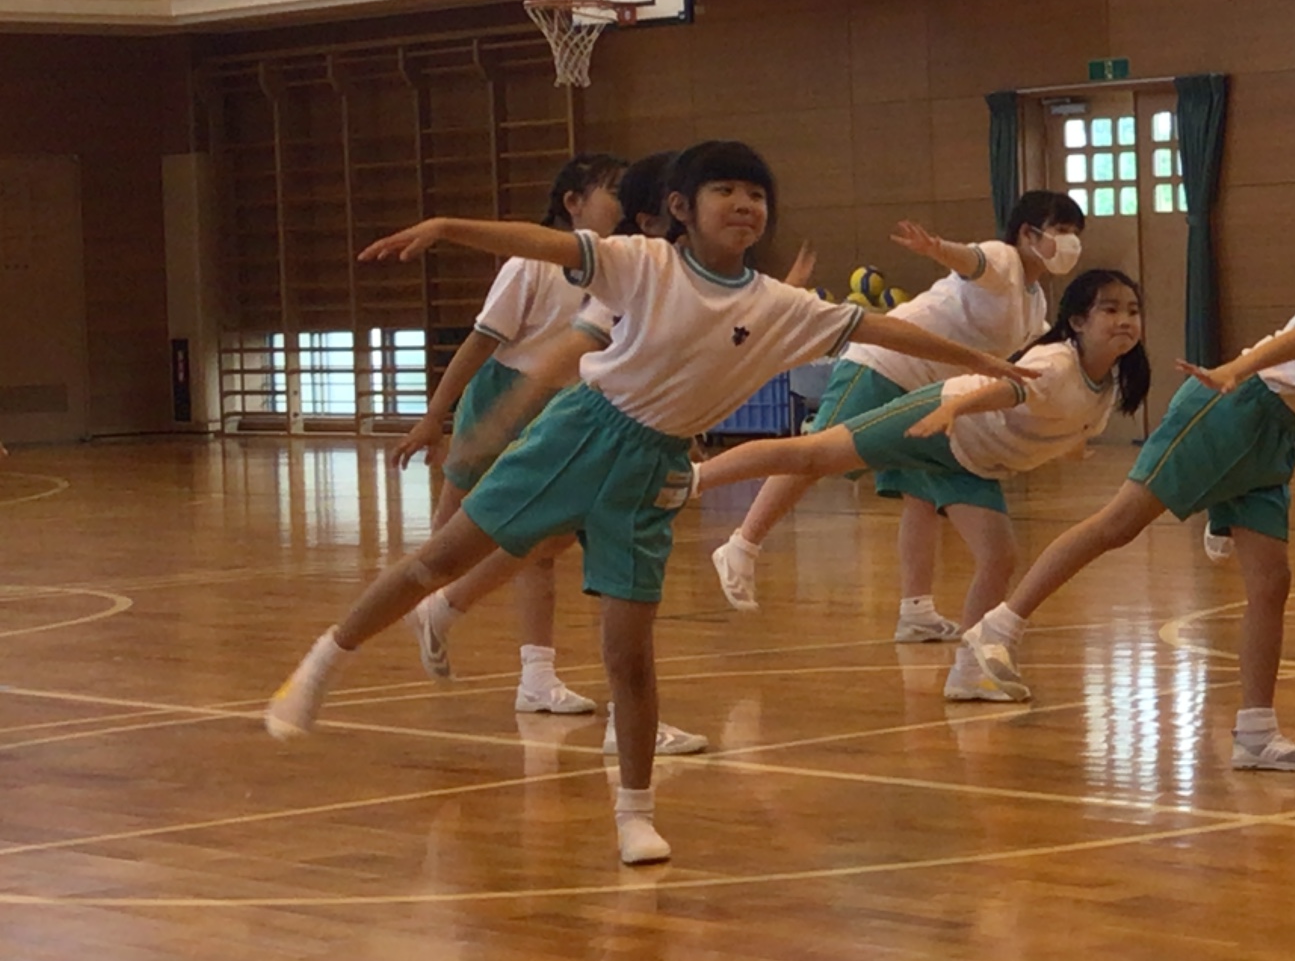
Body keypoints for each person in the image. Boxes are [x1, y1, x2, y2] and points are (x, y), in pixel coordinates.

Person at [265, 140, 1036, 865]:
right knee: (439, 559)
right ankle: (322, 663)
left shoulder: (780, 304)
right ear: (680, 205)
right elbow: (546, 247)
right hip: (579, 434)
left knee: (629, 654)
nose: (743, 204)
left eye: (756, 193)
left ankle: (635, 813)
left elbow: (881, 325)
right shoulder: (641, 263)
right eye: (724, 190)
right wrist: (445, 227)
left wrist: (985, 362)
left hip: (654, 467)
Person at [953, 178, 1295, 771]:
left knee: (1272, 582)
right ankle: (997, 630)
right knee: (1119, 524)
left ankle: (1255, 734)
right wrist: (1234, 368)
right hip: (1231, 410)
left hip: (1272, 435)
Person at [684, 268, 1149, 699]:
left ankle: (969, 672)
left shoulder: (1107, 385)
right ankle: (694, 479)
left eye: (1131, 310)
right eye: (1110, 309)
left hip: (971, 461)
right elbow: (1012, 390)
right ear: (1077, 321)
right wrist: (953, 409)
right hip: (939, 420)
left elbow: (1061, 426)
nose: (1124, 319)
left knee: (999, 556)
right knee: (814, 454)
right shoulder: (1058, 362)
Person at [709, 192, 1087, 633]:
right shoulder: (1002, 258)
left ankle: (916, 611)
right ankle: (742, 543)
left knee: (923, 497)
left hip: (927, 397)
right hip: (883, 365)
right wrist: (937, 248)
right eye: (1061, 231)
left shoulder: (1035, 301)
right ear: (1027, 233)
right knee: (812, 454)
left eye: (1075, 234)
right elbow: (972, 261)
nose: (1070, 243)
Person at [388, 152, 623, 718]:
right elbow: (479, 343)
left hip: (563, 407)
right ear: (572, 203)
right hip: (500, 397)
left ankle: (536, 677)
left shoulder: (620, 267)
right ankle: (408, 617)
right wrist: (434, 416)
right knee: (448, 544)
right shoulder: (531, 263)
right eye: (613, 191)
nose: (624, 202)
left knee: (542, 546)